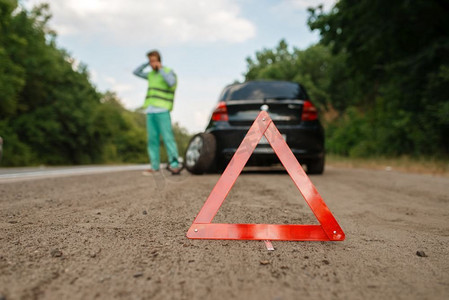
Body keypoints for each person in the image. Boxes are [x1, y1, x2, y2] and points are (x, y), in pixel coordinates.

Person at [133, 50, 181, 175]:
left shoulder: (167, 71)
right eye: (150, 61)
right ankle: (154, 167)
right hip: (150, 110)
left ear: (159, 60)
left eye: (154, 60)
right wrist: (146, 63)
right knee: (152, 140)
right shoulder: (150, 75)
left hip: (163, 110)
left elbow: (172, 83)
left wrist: (160, 69)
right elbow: (136, 72)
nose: (152, 63)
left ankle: (174, 164)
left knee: (167, 138)